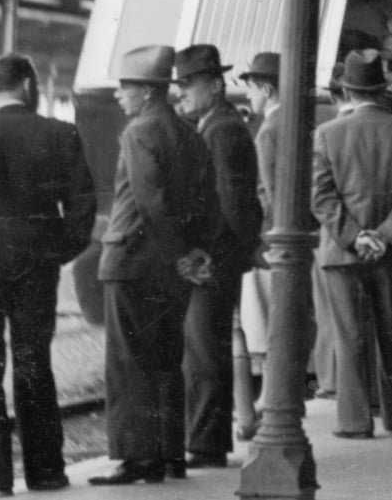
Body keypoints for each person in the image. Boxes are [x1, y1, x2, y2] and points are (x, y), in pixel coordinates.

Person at [0, 53, 95, 495]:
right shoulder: (58, 132)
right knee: (35, 365)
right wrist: (57, 252)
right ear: (30, 87)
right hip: (37, 267)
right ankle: (47, 471)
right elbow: (82, 208)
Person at [93, 45, 215, 486]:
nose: (118, 98)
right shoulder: (190, 134)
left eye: (124, 89)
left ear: (146, 91)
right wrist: (193, 251)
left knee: (128, 362)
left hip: (131, 261)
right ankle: (170, 455)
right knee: (167, 358)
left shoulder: (138, 132)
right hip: (170, 270)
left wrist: (180, 254)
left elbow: (149, 201)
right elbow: (208, 202)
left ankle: (136, 459)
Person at [311, 49, 392, 438]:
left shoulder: (326, 134)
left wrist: (355, 236)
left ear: (347, 91)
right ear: (383, 88)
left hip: (341, 252)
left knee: (349, 337)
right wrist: (383, 236)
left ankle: (354, 422)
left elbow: (321, 196)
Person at [174, 44, 262, 470]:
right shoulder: (220, 124)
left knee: (204, 351)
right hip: (223, 256)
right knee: (206, 347)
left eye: (189, 84)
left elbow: (228, 203)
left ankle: (207, 444)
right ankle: (207, 438)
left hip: (215, 259)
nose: (183, 93)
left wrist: (207, 253)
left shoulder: (221, 130)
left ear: (213, 84)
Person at [234, 52, 281, 442]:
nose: (248, 96)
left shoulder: (267, 130)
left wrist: (260, 231)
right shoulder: (289, 123)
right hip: (281, 238)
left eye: (250, 88)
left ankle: (269, 396)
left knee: (263, 322)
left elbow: (268, 191)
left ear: (266, 89)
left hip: (269, 239)